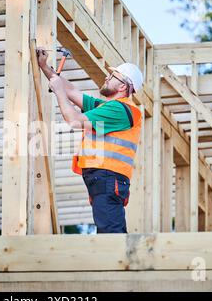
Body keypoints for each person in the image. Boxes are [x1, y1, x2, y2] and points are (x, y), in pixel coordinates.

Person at [36, 47, 143, 233]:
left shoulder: (119, 110)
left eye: (112, 76)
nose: (106, 78)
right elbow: (72, 91)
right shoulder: (108, 108)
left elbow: (74, 120)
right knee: (109, 233)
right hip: (105, 179)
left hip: (109, 178)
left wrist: (59, 92)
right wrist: (45, 68)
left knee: (111, 236)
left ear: (123, 86)